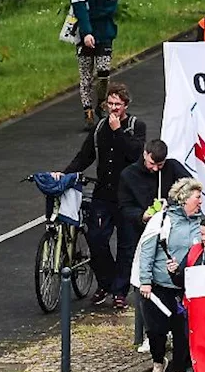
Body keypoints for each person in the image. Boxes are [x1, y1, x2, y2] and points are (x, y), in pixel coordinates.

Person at [58, 82, 146, 307]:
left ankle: (120, 291)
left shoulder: (137, 126)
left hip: (128, 196)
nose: (114, 108)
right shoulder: (99, 129)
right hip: (103, 193)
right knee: (96, 238)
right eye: (110, 104)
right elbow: (85, 156)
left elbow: (135, 154)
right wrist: (65, 173)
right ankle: (106, 282)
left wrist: (118, 132)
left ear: (126, 105)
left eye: (118, 104)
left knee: (127, 246)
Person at [136, 178, 203, 372]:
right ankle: (158, 362)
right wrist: (145, 281)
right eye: (197, 197)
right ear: (184, 199)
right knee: (156, 331)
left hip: (184, 289)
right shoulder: (162, 220)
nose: (200, 201)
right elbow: (147, 250)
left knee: (182, 334)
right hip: (158, 287)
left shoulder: (203, 223)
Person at [71, 0, 120, 127]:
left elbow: (111, 8)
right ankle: (87, 111)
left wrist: (91, 13)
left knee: (104, 72)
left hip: (105, 34)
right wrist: (86, 32)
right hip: (84, 36)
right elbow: (80, 10)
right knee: (85, 76)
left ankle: (101, 101)